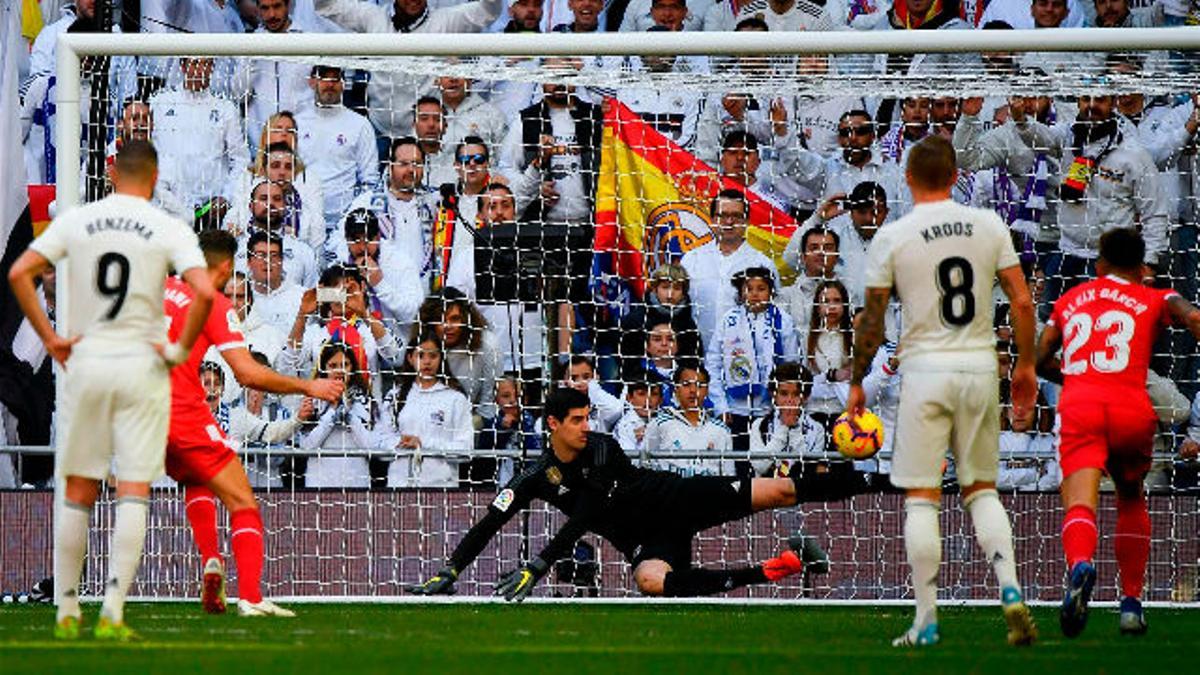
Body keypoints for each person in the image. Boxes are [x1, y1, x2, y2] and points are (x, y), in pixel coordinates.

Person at [7, 140, 215, 641]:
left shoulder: (79, 219)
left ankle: (66, 610)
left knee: (78, 489)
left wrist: (51, 335)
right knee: (133, 490)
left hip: (88, 363)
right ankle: (114, 611)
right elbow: (206, 290)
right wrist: (179, 347)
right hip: (140, 367)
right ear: (156, 175)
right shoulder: (167, 226)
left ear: (110, 172)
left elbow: (20, 272)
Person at [845, 135, 1038, 647]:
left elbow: (871, 319)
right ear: (956, 176)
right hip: (978, 365)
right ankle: (1011, 590)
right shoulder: (989, 225)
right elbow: (1021, 301)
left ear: (907, 178)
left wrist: (858, 382)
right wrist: (1025, 365)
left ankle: (927, 619)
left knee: (922, 500)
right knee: (981, 490)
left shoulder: (893, 235)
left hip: (925, 369)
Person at [409, 386, 829, 600]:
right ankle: (777, 568)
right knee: (651, 582)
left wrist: (538, 565)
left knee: (779, 489)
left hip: (673, 499)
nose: (586, 426)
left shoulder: (602, 449)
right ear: (553, 424)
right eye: (577, 419)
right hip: (644, 538)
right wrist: (452, 569)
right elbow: (490, 522)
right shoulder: (532, 476)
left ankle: (886, 479)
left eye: (587, 417)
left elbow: (584, 514)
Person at [161, 230, 344, 617]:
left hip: (135, 414)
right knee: (243, 504)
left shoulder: (156, 287)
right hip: (182, 411)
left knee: (194, 479)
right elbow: (247, 374)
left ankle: (211, 559)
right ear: (226, 267)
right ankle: (251, 597)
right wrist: (308, 384)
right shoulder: (213, 303)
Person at [1035, 227, 1200, 637]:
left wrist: (1073, 374)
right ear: (1142, 267)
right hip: (1130, 406)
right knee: (1130, 497)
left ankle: (1082, 565)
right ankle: (1130, 604)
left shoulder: (1070, 300)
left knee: (1079, 500)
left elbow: (1039, 358)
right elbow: (1193, 316)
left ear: (1099, 263)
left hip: (1081, 404)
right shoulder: (1155, 296)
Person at [705, 267, 799, 450]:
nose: (755, 294)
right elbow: (713, 364)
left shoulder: (784, 321)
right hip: (734, 410)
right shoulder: (728, 321)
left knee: (767, 465)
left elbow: (792, 366)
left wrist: (784, 405)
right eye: (749, 288)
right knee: (738, 464)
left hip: (770, 411)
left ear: (771, 292)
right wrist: (720, 406)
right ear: (741, 292)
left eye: (761, 288)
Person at [680, 188, 777, 350]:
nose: (729, 222)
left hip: (746, 358)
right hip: (696, 357)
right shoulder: (691, 260)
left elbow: (772, 317)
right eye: (722, 215)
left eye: (736, 216)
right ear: (711, 219)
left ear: (747, 221)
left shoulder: (763, 265)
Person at [378, 332, 474, 487]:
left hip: (440, 488)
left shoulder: (456, 399)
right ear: (410, 358)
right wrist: (400, 443)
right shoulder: (394, 395)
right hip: (399, 486)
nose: (427, 362)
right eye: (421, 355)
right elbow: (380, 442)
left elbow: (466, 450)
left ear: (441, 358)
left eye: (433, 356)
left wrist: (423, 443)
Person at [296, 65, 380, 230]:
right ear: (312, 82)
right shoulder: (297, 123)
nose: (330, 84)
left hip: (344, 223)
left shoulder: (360, 125)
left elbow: (370, 179)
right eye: (324, 78)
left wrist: (352, 217)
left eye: (335, 79)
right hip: (303, 220)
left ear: (343, 84)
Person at [298, 342, 376, 488]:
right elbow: (306, 447)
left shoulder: (366, 400)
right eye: (333, 366)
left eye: (345, 365)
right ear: (324, 368)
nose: (339, 371)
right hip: (319, 484)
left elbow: (372, 447)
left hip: (357, 484)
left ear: (352, 367)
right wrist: (333, 413)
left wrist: (349, 416)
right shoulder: (311, 399)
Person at [643, 362, 735, 476]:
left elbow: (729, 475)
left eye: (699, 385)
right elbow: (645, 465)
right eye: (686, 384)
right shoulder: (659, 424)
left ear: (706, 391)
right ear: (676, 390)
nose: (693, 390)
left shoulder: (721, 430)